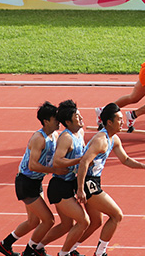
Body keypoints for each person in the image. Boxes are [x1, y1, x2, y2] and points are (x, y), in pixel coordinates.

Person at [76, 103, 145, 256]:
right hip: (88, 182)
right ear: (109, 122)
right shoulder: (101, 140)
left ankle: (70, 250)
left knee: (95, 222)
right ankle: (100, 253)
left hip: (94, 181)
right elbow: (84, 162)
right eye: (119, 119)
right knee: (117, 215)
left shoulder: (114, 139)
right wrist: (80, 189)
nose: (122, 122)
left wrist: (143, 166)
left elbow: (125, 160)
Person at [0, 101, 63, 256]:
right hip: (26, 182)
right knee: (48, 220)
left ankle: (5, 244)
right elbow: (33, 165)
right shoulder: (39, 138)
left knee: (33, 222)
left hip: (35, 181)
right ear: (46, 121)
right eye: (55, 119)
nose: (58, 121)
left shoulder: (55, 135)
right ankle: (32, 250)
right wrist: (54, 170)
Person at [39, 100, 88, 256]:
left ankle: (36, 247)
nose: (81, 118)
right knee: (83, 221)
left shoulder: (80, 132)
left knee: (66, 225)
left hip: (69, 184)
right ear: (68, 121)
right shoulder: (66, 138)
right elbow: (57, 160)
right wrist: (79, 160)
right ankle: (64, 253)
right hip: (59, 187)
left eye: (80, 114)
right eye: (77, 116)